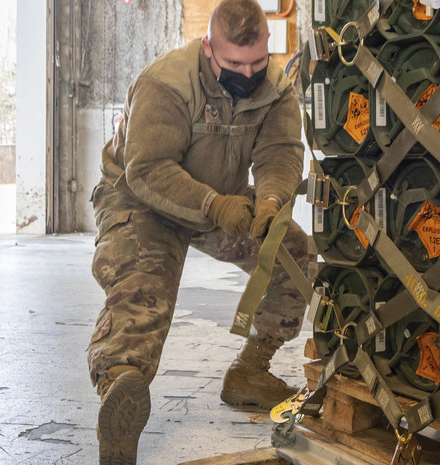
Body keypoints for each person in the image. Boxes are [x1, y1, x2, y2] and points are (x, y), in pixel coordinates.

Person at [86, 0, 313, 462]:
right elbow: (147, 170)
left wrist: (270, 200)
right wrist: (215, 204)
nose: (247, 74)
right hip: (140, 197)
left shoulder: (275, 88)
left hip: (222, 201)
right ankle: (122, 386)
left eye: (256, 62)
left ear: (267, 44)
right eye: (234, 64)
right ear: (209, 49)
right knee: (142, 286)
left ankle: (251, 369)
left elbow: (281, 154)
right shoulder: (165, 83)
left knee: (294, 256)